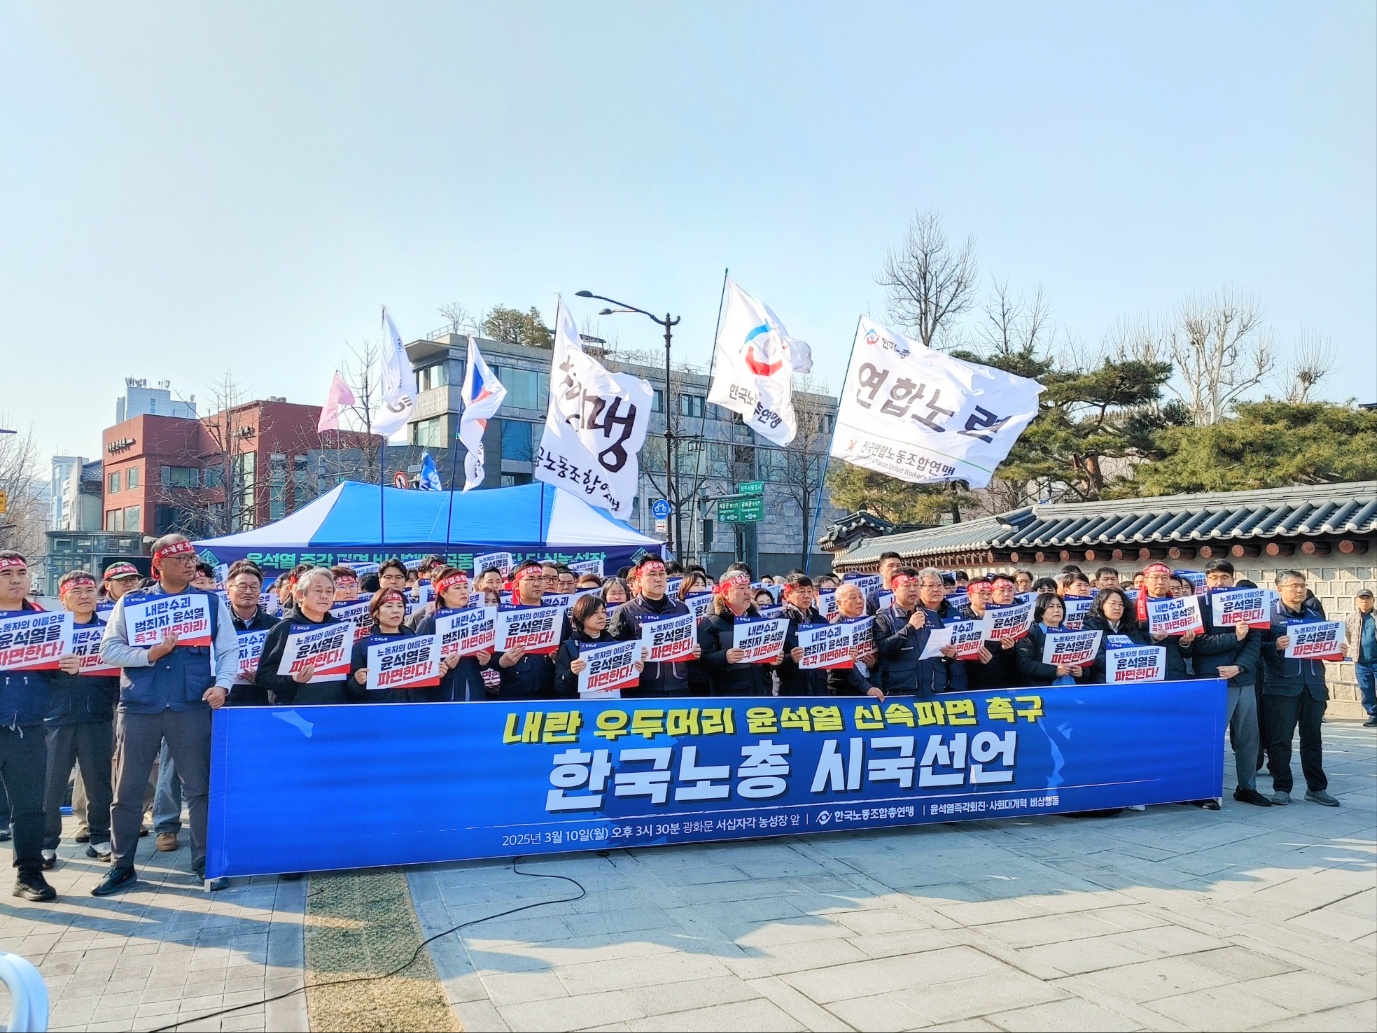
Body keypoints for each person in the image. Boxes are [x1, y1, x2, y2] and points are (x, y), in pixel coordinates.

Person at [94, 534, 235, 896]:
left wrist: (222, 686)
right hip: (140, 706)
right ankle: (121, 865)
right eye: (180, 559)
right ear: (158, 565)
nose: (190, 564)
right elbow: (109, 649)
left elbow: (228, 650)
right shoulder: (132, 602)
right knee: (126, 790)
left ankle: (205, 862)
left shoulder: (209, 602)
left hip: (191, 705)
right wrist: (149, 654)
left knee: (199, 789)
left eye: (191, 558)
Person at [0, 552, 68, 901]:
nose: (15, 579)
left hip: (28, 725)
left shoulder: (45, 620)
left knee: (29, 806)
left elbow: (54, 678)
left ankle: (28, 874)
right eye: (6, 573)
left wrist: (67, 667)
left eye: (21, 572)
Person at [42, 569, 118, 871]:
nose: (85, 596)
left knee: (99, 782)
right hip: (55, 717)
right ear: (63, 599)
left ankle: (100, 837)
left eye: (89, 591)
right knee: (51, 783)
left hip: (97, 714)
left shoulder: (110, 630)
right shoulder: (50, 631)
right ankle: (46, 842)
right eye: (76, 592)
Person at [1193, 559, 1268, 807]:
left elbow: (1254, 641)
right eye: (1213, 577)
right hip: (1213, 680)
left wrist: (1240, 666)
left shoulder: (1246, 602)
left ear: (1233, 579)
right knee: (1211, 738)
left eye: (1224, 577)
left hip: (1244, 680)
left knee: (1249, 739)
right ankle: (1204, 790)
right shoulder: (1198, 606)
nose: (1219, 582)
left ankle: (1247, 787)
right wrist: (1234, 636)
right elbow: (1199, 644)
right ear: (1206, 581)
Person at [1262, 570, 1339, 807]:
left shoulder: (1315, 614)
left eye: (1302, 585)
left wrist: (1337, 648)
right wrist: (1274, 645)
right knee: (1280, 740)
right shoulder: (1269, 616)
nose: (1299, 590)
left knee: (1313, 740)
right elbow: (1256, 647)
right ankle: (1281, 788)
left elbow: (1326, 647)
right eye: (1294, 585)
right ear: (1280, 589)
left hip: (1314, 686)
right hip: (1281, 687)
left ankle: (1316, 788)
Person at [608, 556, 700, 699]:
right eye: (651, 575)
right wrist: (633, 653)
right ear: (639, 580)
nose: (658, 579)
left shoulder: (681, 608)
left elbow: (694, 646)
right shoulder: (625, 611)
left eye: (662, 574)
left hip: (679, 686)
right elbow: (612, 651)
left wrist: (696, 650)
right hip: (641, 691)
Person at [257, 568, 349, 706]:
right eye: (318, 591)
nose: (324, 596)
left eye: (329, 591)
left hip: (334, 710)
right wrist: (293, 679)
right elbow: (263, 676)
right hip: (293, 712)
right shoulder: (283, 629)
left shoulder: (340, 628)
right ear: (300, 595)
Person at [876, 568, 969, 697]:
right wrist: (910, 628)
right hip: (901, 690)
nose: (912, 590)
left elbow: (942, 651)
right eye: (906, 586)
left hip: (934, 688)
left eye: (916, 585)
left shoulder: (932, 615)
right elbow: (884, 648)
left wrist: (951, 655)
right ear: (895, 589)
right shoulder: (884, 617)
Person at [697, 572, 779, 696]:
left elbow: (764, 664)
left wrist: (772, 661)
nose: (747, 592)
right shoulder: (711, 623)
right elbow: (700, 662)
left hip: (762, 692)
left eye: (748, 587)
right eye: (741, 588)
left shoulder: (758, 620)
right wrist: (724, 657)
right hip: (730, 697)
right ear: (726, 593)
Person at [417, 569, 492, 702]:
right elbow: (418, 664)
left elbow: (485, 659)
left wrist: (485, 661)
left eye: (465, 587)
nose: (463, 591)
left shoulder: (479, 618)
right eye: (457, 588)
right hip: (443, 692)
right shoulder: (429, 622)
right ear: (443, 593)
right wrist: (443, 665)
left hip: (473, 687)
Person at [554, 595, 643, 699]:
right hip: (581, 706)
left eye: (603, 612)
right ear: (581, 616)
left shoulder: (616, 646)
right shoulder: (569, 646)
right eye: (595, 612)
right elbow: (559, 687)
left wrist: (636, 671)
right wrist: (572, 672)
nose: (601, 616)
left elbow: (628, 690)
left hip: (613, 704)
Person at [490, 564, 556, 700]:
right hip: (514, 694)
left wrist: (559, 657)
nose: (537, 584)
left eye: (540, 578)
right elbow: (489, 656)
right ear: (516, 584)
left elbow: (568, 647)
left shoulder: (556, 614)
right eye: (530, 579)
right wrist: (501, 662)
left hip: (550, 693)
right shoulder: (503, 616)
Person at [348, 587, 420, 702]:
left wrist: (437, 673)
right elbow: (349, 691)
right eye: (389, 606)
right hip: (377, 709)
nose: (396, 610)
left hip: (413, 709)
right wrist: (356, 682)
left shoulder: (418, 643)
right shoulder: (361, 647)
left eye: (400, 606)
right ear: (376, 612)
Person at [224, 561, 279, 706]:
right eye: (242, 586)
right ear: (228, 590)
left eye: (254, 587)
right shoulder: (218, 624)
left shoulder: (275, 625)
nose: (248, 591)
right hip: (224, 702)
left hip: (263, 702)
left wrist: (262, 678)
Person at [1136, 563, 1195, 680]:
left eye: (1165, 578)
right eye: (1155, 577)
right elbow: (1130, 640)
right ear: (1145, 581)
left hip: (1176, 671)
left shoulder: (1181, 608)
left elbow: (1188, 653)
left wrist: (1185, 643)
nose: (1160, 582)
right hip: (1146, 672)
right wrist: (1152, 638)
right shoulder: (1133, 607)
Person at [1015, 592, 1084, 686]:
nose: (1056, 610)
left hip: (1072, 687)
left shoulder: (1072, 633)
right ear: (1041, 612)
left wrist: (1082, 671)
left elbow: (1085, 661)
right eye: (1051, 606)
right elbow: (1025, 664)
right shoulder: (1030, 634)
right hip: (1044, 689)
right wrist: (1055, 671)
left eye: (1059, 606)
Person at [963, 575, 1018, 690]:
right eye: (981, 593)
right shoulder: (961, 619)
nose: (986, 597)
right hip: (971, 683)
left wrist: (1007, 649)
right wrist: (978, 661)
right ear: (970, 596)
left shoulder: (1001, 618)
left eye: (989, 593)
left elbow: (1011, 660)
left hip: (1000, 681)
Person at [828, 583, 883, 698]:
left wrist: (873, 664)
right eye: (853, 598)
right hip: (843, 691)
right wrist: (866, 687)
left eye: (861, 597)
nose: (859, 601)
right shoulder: (834, 628)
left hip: (868, 683)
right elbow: (844, 667)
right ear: (839, 602)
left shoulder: (869, 624)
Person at [1083, 587, 1147, 684]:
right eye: (1113, 604)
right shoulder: (1090, 627)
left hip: (1132, 681)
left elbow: (1143, 649)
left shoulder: (1130, 627)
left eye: (1121, 604)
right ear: (1101, 605)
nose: (1117, 608)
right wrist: (1125, 663)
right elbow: (1096, 657)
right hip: (1103, 682)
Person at [779, 574, 829, 696]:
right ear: (787, 595)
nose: (807, 595)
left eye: (809, 591)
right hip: (791, 689)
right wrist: (790, 658)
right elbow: (770, 661)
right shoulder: (779, 622)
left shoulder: (821, 621)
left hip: (819, 688)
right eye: (801, 591)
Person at [1345, 588, 1376, 727]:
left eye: (1368, 598)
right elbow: (1348, 635)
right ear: (1357, 601)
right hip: (1361, 661)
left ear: (1373, 600)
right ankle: (1373, 715)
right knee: (1366, 688)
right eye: (1362, 598)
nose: (1365, 601)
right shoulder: (1351, 617)